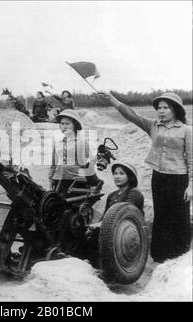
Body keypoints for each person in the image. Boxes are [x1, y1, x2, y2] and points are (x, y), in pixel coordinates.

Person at [99, 91, 192, 263]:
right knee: (162, 215)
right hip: (159, 178)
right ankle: (160, 256)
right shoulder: (153, 125)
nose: (161, 111)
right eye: (159, 108)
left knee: (180, 217)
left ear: (176, 110)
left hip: (179, 180)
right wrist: (112, 99)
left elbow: (192, 159)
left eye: (166, 108)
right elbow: (131, 115)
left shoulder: (187, 130)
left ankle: (182, 257)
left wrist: (191, 185)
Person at [48, 109, 102, 196]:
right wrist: (51, 178)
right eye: (62, 124)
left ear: (74, 125)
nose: (64, 126)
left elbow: (89, 164)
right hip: (58, 180)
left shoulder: (81, 142)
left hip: (75, 182)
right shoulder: (58, 142)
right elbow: (53, 163)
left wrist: (92, 184)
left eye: (67, 124)